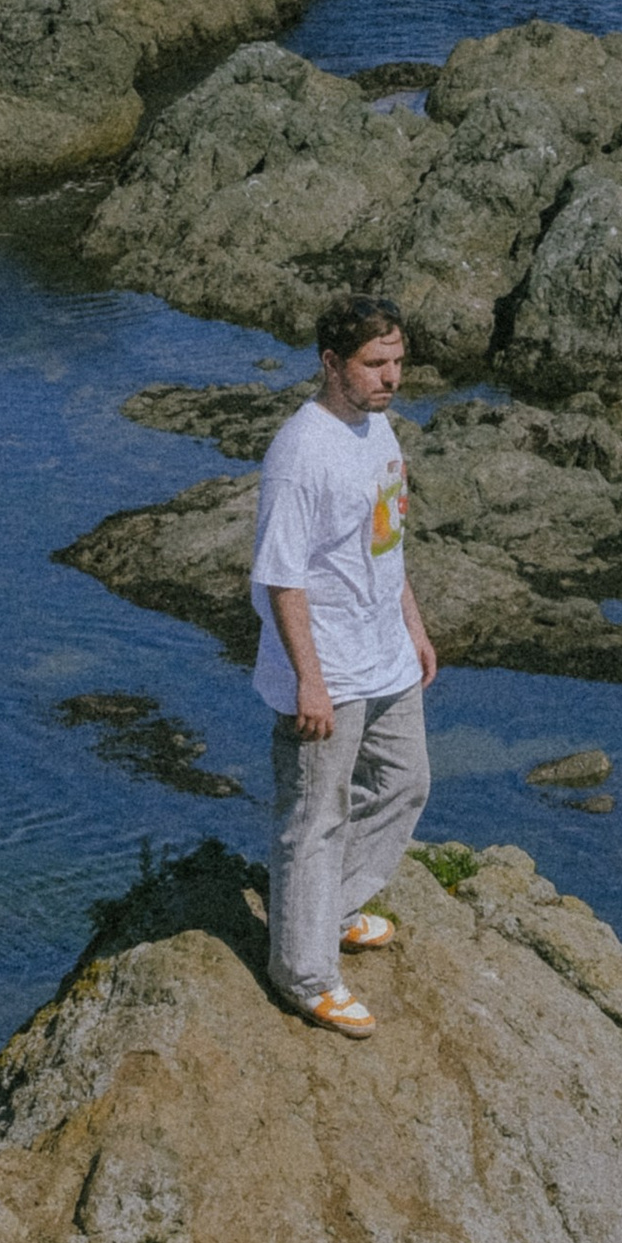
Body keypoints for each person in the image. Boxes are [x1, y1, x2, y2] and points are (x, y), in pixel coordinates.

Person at [250, 291, 436, 1037]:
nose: (391, 377)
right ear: (331, 363)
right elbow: (282, 577)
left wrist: (413, 626)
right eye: (374, 363)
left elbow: (386, 542)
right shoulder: (301, 454)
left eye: (397, 361)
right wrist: (310, 680)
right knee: (313, 818)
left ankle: (331, 908)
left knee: (404, 782)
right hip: (326, 667)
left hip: (384, 654)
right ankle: (303, 973)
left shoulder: (377, 425)